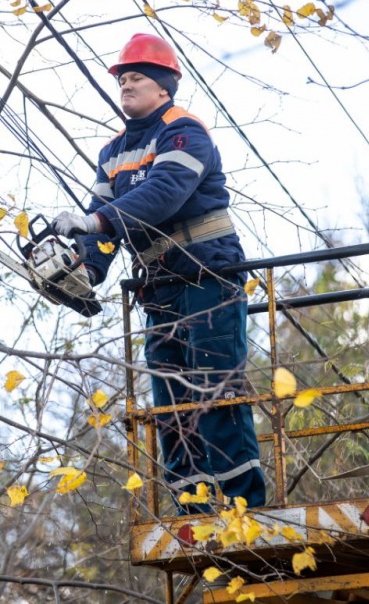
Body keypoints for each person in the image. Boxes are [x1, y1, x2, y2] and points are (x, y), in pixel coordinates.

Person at [52, 33, 266, 512]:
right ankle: (192, 506)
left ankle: (242, 509)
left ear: (164, 86)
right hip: (160, 288)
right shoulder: (114, 151)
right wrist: (85, 267)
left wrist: (95, 222)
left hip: (208, 277)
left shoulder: (185, 131)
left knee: (215, 391)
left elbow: (163, 194)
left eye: (136, 78)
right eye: (122, 79)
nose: (125, 86)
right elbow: (103, 219)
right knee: (170, 406)